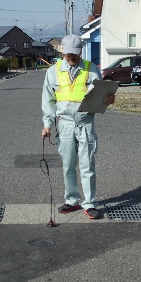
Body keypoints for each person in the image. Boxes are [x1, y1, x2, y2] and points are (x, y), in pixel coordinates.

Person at [41, 34, 115, 219]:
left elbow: (100, 97)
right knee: (68, 165)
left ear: (80, 51)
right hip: (64, 124)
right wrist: (47, 124)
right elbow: (48, 100)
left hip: (85, 124)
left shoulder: (91, 70)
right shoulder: (53, 71)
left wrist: (108, 100)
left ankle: (89, 203)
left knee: (87, 165)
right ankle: (72, 200)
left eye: (75, 54)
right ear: (63, 52)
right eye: (68, 54)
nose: (71, 57)